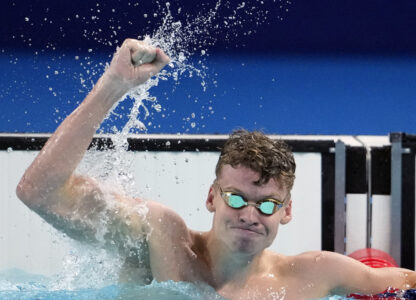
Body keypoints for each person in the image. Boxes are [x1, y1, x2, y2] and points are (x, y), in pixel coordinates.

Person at [16, 38, 416, 300]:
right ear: (211, 197)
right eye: (237, 197)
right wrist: (113, 86)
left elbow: (406, 283)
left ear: (287, 211)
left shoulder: (314, 276)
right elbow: (39, 192)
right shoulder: (162, 240)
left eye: (266, 205)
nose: (248, 214)